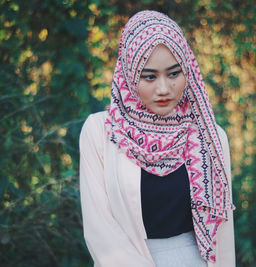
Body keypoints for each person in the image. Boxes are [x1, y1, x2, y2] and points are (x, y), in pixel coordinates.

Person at [79, 10, 235, 267]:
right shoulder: (101, 132)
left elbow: (223, 237)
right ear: (130, 74)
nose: (164, 89)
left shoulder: (210, 135)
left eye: (174, 74)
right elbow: (100, 231)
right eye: (149, 76)